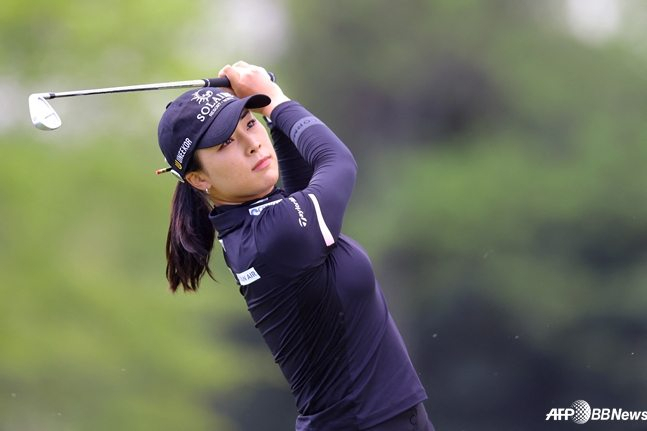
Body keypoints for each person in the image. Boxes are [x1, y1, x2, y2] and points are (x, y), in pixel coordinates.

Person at [156, 61, 435, 431]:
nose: (253, 145)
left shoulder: (253, 222)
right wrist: (275, 100)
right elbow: (338, 163)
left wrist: (275, 116)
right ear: (198, 178)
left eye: (250, 124)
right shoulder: (276, 235)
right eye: (226, 143)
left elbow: (302, 178)